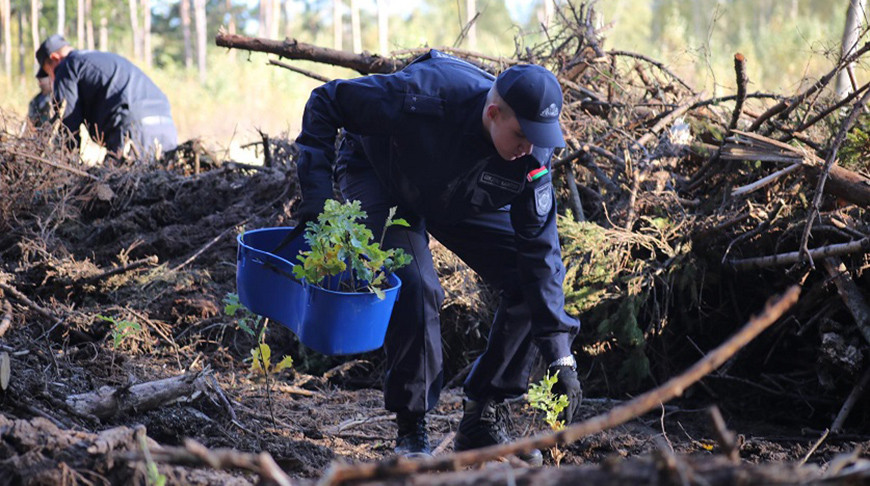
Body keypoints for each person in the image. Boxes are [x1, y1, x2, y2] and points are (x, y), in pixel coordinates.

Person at [293, 50, 582, 463]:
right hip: (384, 176)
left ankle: (482, 417)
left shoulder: (531, 153)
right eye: (522, 133)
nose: (531, 146)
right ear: (494, 112)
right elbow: (327, 101)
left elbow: (541, 252)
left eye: (540, 135)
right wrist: (316, 197)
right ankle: (412, 429)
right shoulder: (423, 96)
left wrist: (560, 353)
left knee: (525, 278)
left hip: (458, 193)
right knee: (415, 283)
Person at [35, 34, 178, 159]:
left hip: (134, 130)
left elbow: (68, 125)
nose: (52, 80)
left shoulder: (66, 66)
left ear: (55, 58)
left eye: (49, 74)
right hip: (166, 125)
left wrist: (63, 168)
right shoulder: (98, 58)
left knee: (116, 186)